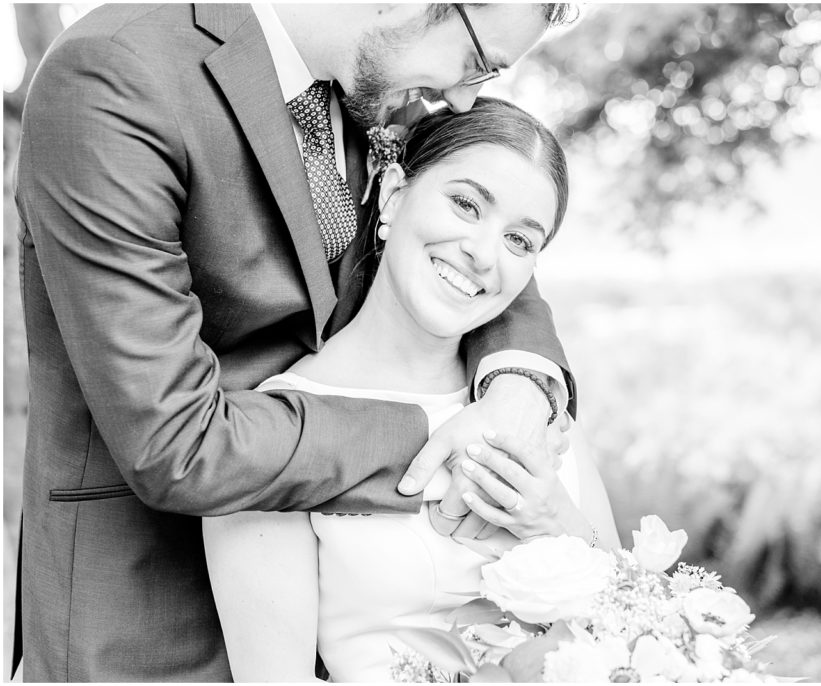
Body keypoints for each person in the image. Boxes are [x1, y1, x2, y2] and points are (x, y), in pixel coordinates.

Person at [13, 4, 576, 682]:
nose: (463, 97)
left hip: (349, 624)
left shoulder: (379, 82)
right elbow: (174, 444)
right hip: (150, 626)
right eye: (479, 62)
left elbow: (486, 237)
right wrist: (444, 428)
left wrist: (516, 380)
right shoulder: (116, 71)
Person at [203, 96, 620, 682]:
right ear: (395, 194)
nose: (482, 254)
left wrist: (557, 523)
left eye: (520, 241)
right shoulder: (272, 435)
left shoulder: (535, 409)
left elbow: (637, 630)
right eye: (466, 204)